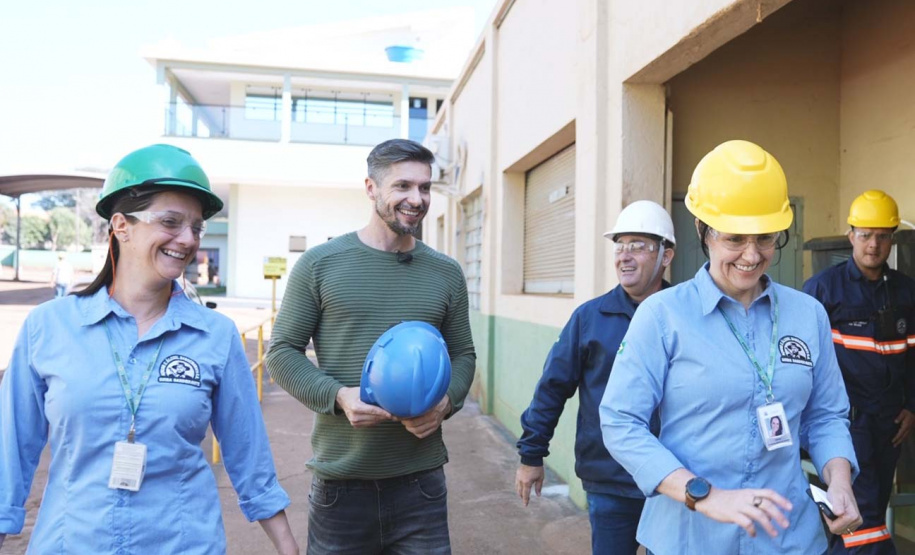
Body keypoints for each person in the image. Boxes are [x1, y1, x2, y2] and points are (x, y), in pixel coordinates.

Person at [0, 144, 298, 554]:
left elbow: (250, 458)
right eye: (171, 222)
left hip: (182, 544)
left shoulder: (216, 336)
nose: (188, 239)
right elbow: (11, 450)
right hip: (72, 543)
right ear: (121, 226)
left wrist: (289, 547)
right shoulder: (49, 327)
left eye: (197, 227)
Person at [599, 140, 863, 554]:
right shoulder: (663, 316)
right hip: (688, 538)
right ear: (703, 231)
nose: (752, 254)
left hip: (788, 538)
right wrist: (704, 494)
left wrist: (840, 480)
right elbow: (620, 422)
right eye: (735, 238)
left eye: (765, 238)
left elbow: (826, 415)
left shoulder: (807, 315)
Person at [265, 138, 476, 554]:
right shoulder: (321, 264)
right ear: (371, 188)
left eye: (425, 187)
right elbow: (283, 351)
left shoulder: (446, 273)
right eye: (402, 186)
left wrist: (445, 403)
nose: (417, 199)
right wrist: (338, 396)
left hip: (422, 482)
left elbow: (463, 355)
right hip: (341, 484)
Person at [514, 200, 675, 554]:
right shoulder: (589, 318)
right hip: (610, 480)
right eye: (620, 245)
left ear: (666, 256)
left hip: (675, 478)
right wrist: (531, 455)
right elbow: (552, 388)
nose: (625, 256)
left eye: (639, 245)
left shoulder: (686, 316)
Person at [803, 189, 915, 554]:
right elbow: (802, 360)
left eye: (883, 235)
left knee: (864, 513)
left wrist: (911, 406)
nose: (873, 244)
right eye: (865, 234)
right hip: (844, 425)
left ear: (892, 239)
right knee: (861, 517)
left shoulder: (905, 291)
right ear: (851, 235)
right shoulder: (822, 290)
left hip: (889, 426)